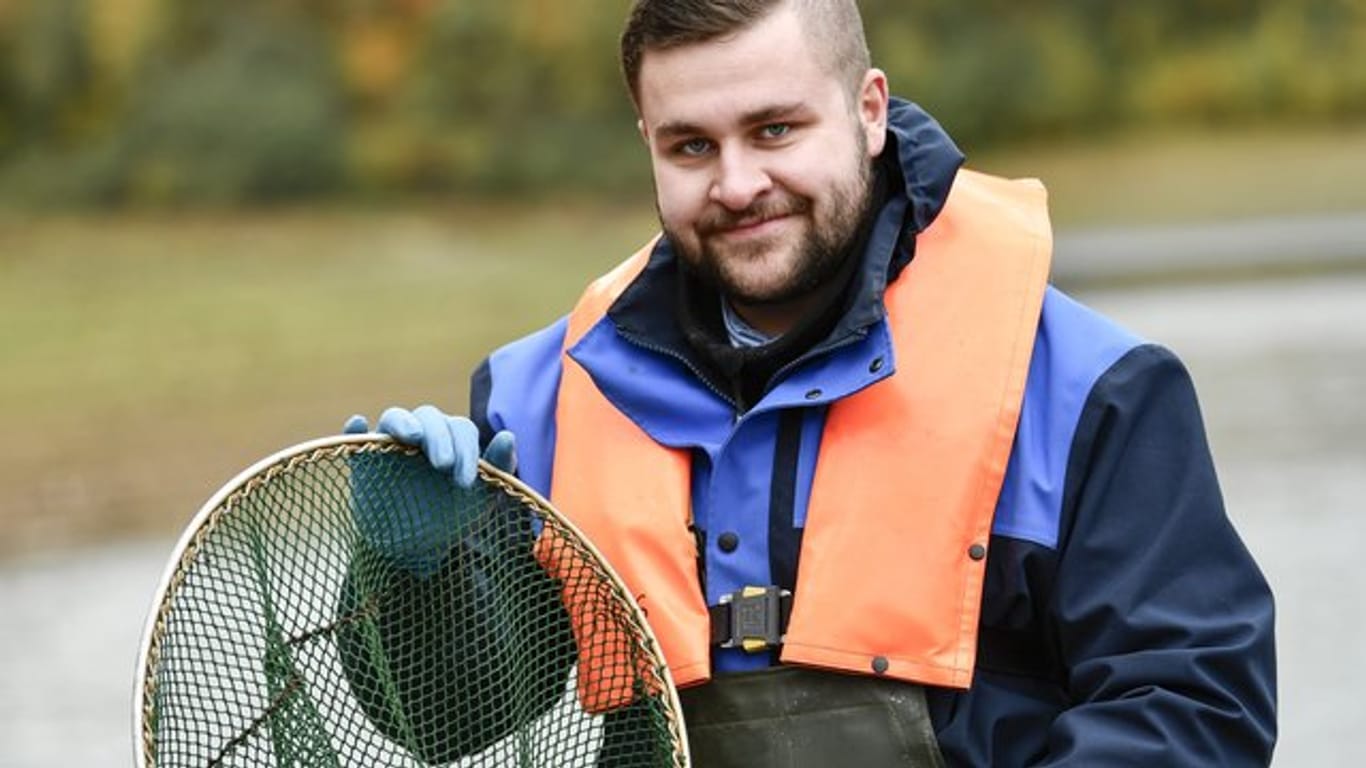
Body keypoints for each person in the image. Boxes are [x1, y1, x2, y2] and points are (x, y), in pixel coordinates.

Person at [344, 0, 1277, 765]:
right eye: (692, 148)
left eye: (775, 129)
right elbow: (447, 723)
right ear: (648, 143)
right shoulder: (535, 400)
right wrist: (413, 576)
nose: (740, 184)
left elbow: (1198, 707)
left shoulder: (1092, 390)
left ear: (869, 109)